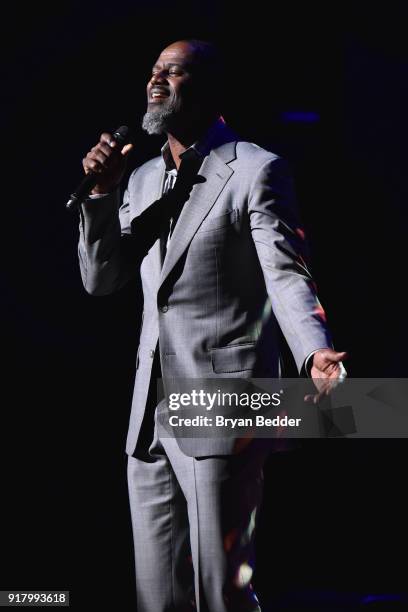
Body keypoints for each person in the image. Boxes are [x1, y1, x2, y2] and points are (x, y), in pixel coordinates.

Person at [78, 39, 347, 612]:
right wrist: (101, 194)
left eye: (173, 71)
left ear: (208, 88)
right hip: (149, 414)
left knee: (218, 591)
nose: (157, 80)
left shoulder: (254, 168)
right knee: (157, 597)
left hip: (224, 404)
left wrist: (313, 352)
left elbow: (285, 270)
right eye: (153, 70)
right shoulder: (143, 177)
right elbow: (103, 280)